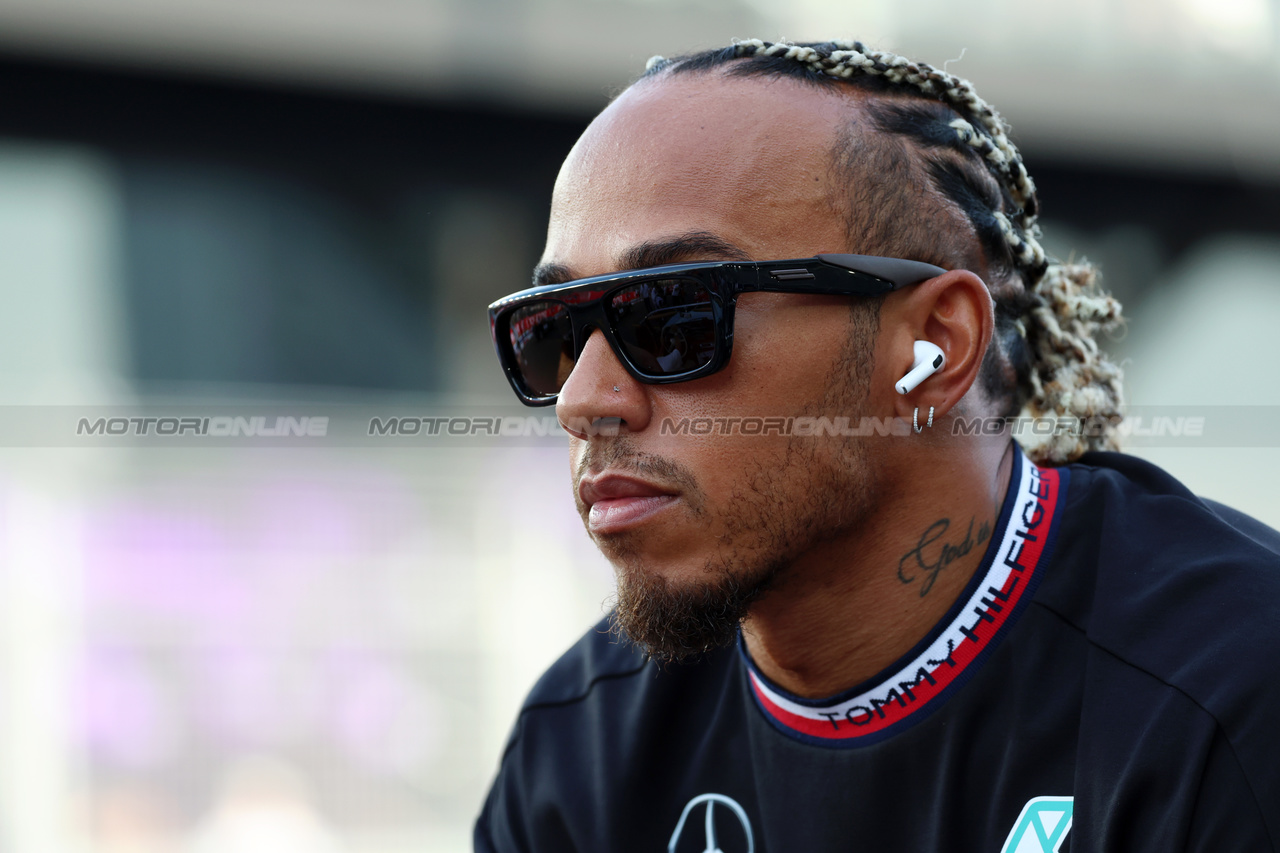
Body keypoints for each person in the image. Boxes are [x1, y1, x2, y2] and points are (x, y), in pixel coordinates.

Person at [476, 39, 1280, 852]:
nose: (583, 400)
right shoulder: (579, 753)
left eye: (672, 317)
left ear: (933, 345)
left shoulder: (1234, 702)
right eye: (557, 332)